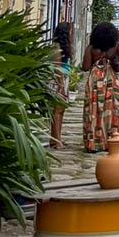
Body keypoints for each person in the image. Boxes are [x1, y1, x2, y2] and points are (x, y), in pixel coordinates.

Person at [82, 22, 119, 153]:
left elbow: (85, 67)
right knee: (112, 110)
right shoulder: (116, 46)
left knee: (93, 110)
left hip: (94, 79)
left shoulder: (91, 48)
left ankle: (93, 142)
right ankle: (110, 140)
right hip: (110, 79)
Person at [49, 20, 73, 149]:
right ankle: (57, 141)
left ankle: (54, 138)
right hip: (58, 81)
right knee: (58, 110)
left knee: (60, 110)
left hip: (64, 80)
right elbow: (57, 69)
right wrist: (61, 87)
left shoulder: (61, 47)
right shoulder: (57, 48)